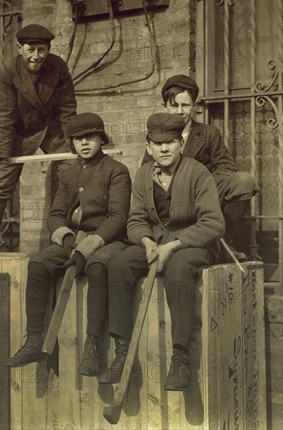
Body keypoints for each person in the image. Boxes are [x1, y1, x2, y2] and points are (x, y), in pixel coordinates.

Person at [5, 112, 131, 375]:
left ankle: (93, 345)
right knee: (38, 263)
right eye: (77, 139)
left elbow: (117, 218)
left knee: (97, 267)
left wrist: (86, 248)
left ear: (101, 139)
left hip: (107, 240)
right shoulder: (69, 173)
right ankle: (34, 339)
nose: (84, 143)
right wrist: (69, 240)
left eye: (90, 137)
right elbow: (56, 214)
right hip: (74, 241)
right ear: (71, 143)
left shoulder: (116, 171)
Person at [106, 113, 224, 391]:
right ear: (148, 147)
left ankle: (181, 358)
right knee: (119, 264)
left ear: (181, 143)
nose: (164, 148)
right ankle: (122, 351)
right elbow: (135, 219)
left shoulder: (198, 172)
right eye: (157, 143)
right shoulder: (143, 174)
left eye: (170, 142)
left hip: (194, 244)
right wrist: (146, 241)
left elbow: (214, 224)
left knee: (179, 270)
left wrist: (174, 245)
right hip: (155, 242)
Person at [0, 24, 77, 260]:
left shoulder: (58, 67)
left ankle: (61, 239)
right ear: (20, 48)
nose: (36, 56)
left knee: (70, 170)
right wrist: (1, 152)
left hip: (52, 127)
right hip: (19, 130)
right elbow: (5, 113)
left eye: (41, 50)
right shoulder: (8, 70)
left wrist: (73, 141)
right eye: (30, 50)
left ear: (48, 50)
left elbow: (68, 107)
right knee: (0, 176)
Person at [142, 74, 259, 261]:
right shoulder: (158, 137)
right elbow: (147, 171)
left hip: (204, 191)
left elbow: (226, 166)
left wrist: (202, 183)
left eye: (185, 105)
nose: (180, 111)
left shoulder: (208, 133)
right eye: (174, 105)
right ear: (165, 106)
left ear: (194, 107)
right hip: (172, 196)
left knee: (243, 182)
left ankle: (224, 239)